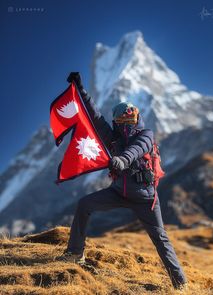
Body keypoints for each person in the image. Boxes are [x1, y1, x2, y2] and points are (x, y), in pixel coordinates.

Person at [56, 72, 187, 290]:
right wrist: (81, 90)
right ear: (117, 122)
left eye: (131, 118)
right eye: (123, 119)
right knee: (84, 205)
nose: (128, 122)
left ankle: (180, 283)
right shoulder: (114, 138)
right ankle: (74, 254)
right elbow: (96, 118)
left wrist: (121, 160)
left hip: (146, 200)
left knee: (160, 239)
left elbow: (136, 151)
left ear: (137, 118)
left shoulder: (146, 134)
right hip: (118, 192)